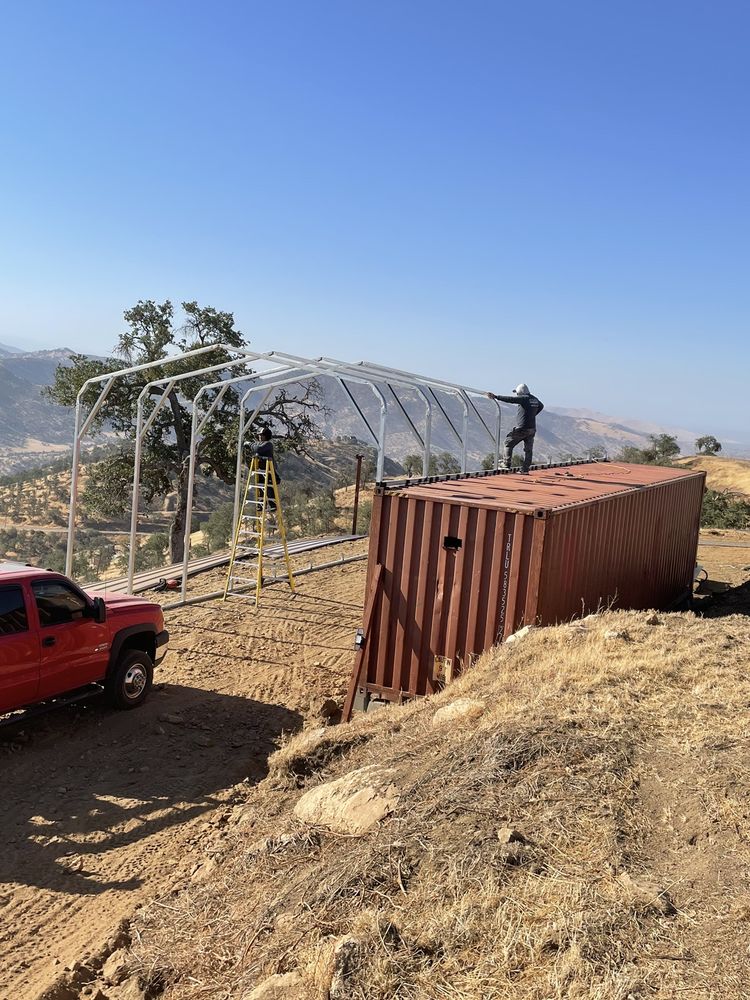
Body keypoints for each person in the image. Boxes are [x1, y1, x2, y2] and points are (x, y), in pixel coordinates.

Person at [487, 384, 544, 473]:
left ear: (521, 392)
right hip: (532, 428)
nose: (517, 395)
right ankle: (525, 469)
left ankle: (506, 464)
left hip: (522, 428)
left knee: (508, 443)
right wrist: (532, 414)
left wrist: (496, 397)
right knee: (528, 450)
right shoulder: (534, 399)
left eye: (517, 393)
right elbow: (541, 406)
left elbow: (511, 400)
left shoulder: (523, 398)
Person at [245, 426, 280, 515]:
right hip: (261, 470)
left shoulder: (268, 444)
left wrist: (249, 444)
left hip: (269, 470)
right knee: (260, 487)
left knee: (268, 487)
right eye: (259, 435)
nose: (260, 437)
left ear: (266, 436)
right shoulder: (259, 443)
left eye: (262, 435)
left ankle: (273, 505)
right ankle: (261, 504)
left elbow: (258, 449)